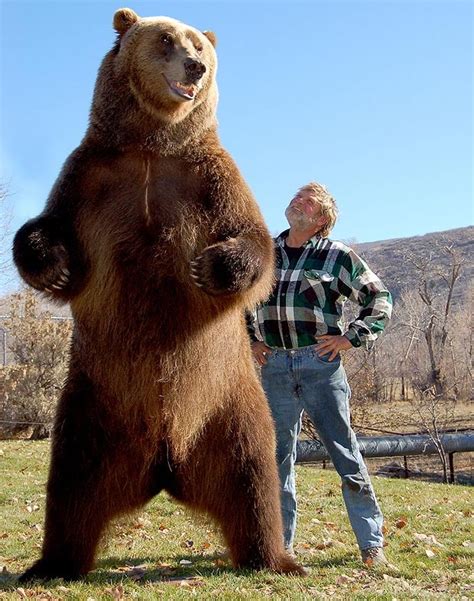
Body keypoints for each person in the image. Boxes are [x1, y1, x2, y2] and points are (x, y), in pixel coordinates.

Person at [247, 182, 393, 567]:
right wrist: (251, 341)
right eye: (297, 196)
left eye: (308, 201)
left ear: (322, 219)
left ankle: (371, 544)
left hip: (319, 365)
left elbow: (379, 298)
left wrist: (350, 338)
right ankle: (280, 547)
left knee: (345, 453)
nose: (298, 201)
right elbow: (238, 302)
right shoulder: (265, 253)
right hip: (274, 365)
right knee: (276, 459)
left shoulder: (337, 256)